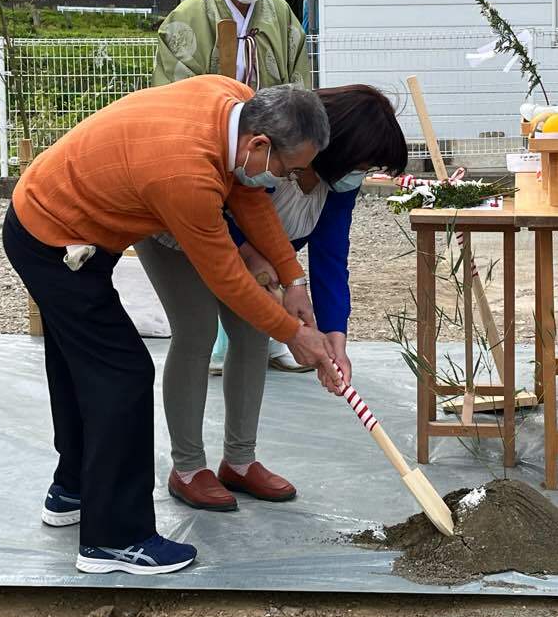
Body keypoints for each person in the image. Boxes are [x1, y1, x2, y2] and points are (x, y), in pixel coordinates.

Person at [2, 79, 340, 576]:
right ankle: (114, 538)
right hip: (52, 238)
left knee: (80, 366)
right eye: (287, 171)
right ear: (260, 144)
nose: (286, 181)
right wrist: (295, 334)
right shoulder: (184, 172)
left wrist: (293, 279)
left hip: (65, 223)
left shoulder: (233, 102)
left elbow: (249, 200)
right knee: (122, 375)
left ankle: (72, 489)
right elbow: (227, 277)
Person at [136, 84, 408, 511]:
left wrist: (334, 333)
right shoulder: (271, 154)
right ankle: (188, 467)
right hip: (180, 234)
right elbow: (216, 214)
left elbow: (331, 254)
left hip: (254, 255)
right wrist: (254, 260)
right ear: (330, 150)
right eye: (362, 164)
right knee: (197, 329)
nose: (363, 174)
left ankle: (239, 462)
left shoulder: (338, 183)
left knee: (253, 333)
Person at [151, 0, 311, 374]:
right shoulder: (188, 17)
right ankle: (224, 338)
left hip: (267, 147)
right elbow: (171, 95)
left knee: (273, 235)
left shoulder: (279, 13)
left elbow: (298, 78)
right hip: (211, 145)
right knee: (215, 239)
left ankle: (272, 332)